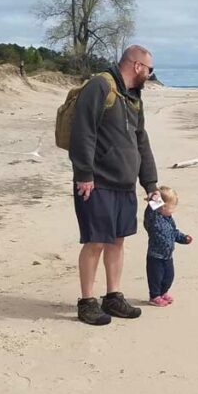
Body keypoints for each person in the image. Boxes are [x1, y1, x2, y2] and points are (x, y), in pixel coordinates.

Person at [69, 45, 159, 326]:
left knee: (117, 241)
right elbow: (82, 131)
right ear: (136, 66)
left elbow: (141, 141)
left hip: (124, 184)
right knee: (95, 241)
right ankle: (86, 301)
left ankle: (113, 296)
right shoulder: (99, 86)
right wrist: (84, 174)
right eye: (149, 69)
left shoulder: (133, 97)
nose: (150, 74)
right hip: (96, 182)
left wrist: (150, 183)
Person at [144, 185, 193, 306]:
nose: (174, 209)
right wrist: (155, 198)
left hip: (168, 255)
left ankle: (163, 292)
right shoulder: (154, 217)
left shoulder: (169, 218)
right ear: (163, 206)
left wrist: (183, 238)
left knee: (169, 276)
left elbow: (174, 232)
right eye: (173, 206)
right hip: (155, 256)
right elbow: (151, 208)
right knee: (156, 277)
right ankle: (154, 295)